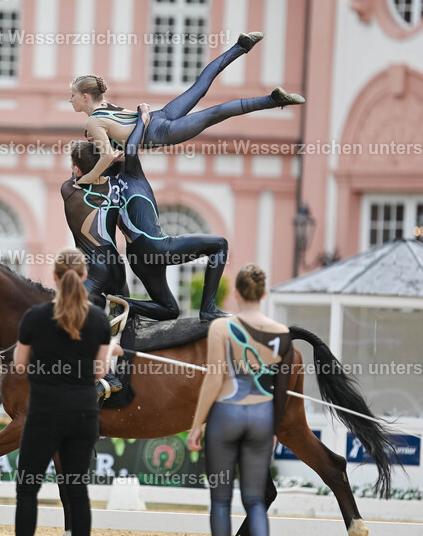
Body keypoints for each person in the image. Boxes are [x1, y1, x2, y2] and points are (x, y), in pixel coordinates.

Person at [0, 248, 118, 536]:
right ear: (82, 277)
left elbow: (19, 366)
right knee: (77, 489)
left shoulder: (34, 317)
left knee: (28, 488)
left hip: (45, 412)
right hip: (82, 413)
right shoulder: (98, 319)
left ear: (54, 277)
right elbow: (98, 372)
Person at [70, 32, 304, 184]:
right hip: (159, 116)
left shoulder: (93, 121)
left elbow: (109, 155)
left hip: (159, 132)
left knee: (214, 113)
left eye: (73, 96)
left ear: (85, 96)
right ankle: (241, 46)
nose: (71, 100)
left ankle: (273, 100)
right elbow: (119, 144)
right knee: (200, 87)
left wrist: (85, 179)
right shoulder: (104, 105)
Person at [188, 264, 292, 536]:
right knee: (255, 502)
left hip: (226, 415)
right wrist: (273, 428)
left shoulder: (222, 328)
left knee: (220, 501)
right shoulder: (282, 334)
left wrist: (196, 424)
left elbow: (214, 379)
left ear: (236, 293)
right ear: (263, 293)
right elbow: (282, 391)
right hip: (261, 416)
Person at [112, 105, 229, 321]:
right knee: (220, 244)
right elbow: (130, 149)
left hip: (136, 256)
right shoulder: (129, 172)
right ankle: (208, 309)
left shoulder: (104, 185)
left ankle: (119, 303)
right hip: (155, 246)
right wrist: (143, 119)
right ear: (116, 150)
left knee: (170, 310)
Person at [61, 140, 127, 307]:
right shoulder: (114, 183)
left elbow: (84, 169)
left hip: (93, 270)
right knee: (125, 327)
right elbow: (118, 159)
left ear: (76, 169)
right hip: (116, 269)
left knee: (75, 318)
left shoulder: (69, 191)